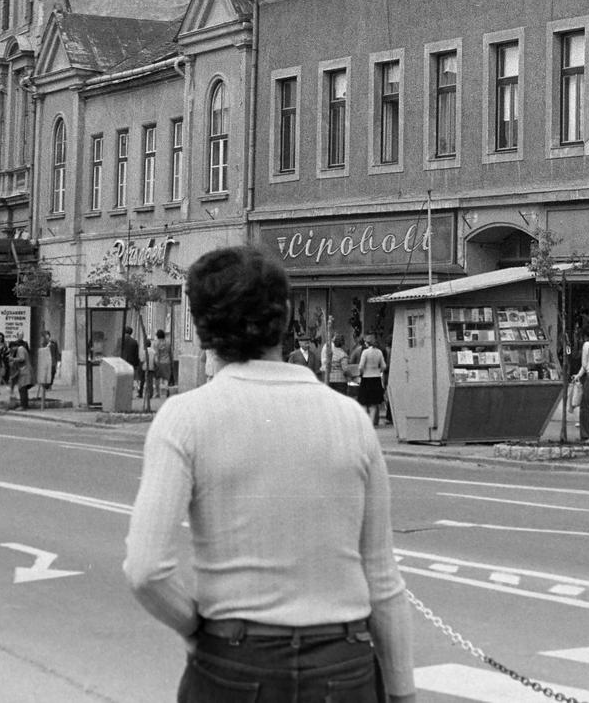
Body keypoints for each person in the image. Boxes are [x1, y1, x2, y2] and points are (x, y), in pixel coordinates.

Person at [123, 245, 415, 703]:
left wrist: (200, 629)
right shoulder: (351, 419)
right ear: (285, 316)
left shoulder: (185, 418)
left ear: (201, 330)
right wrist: (402, 693)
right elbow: (382, 579)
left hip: (236, 660)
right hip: (343, 661)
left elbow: (145, 571)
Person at [356, 333, 387, 427]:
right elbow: (384, 366)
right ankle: (372, 422)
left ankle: (366, 422)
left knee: (364, 402)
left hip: (366, 378)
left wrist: (361, 373)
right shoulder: (379, 352)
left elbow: (361, 366)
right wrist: (378, 370)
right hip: (376, 378)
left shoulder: (365, 352)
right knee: (374, 403)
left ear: (366, 343)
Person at [38, 329, 61, 409]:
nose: (46, 337)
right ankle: (46, 385)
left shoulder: (53, 343)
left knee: (53, 372)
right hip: (46, 361)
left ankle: (50, 385)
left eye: (47, 335)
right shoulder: (42, 344)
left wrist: (58, 360)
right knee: (47, 373)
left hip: (53, 360)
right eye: (45, 335)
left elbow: (56, 351)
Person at [9, 337, 33, 411]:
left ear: (14, 346)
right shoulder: (21, 349)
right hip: (25, 371)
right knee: (23, 389)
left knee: (22, 389)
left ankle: (23, 406)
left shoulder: (20, 349)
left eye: (11, 348)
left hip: (25, 371)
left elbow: (22, 358)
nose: (12, 350)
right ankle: (25, 405)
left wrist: (13, 359)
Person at [152, 330, 174, 401]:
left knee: (157, 378)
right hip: (167, 362)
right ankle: (167, 388)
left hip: (159, 362)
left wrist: (155, 363)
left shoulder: (156, 343)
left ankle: (157, 393)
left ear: (157, 336)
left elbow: (156, 354)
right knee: (166, 378)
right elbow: (171, 353)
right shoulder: (168, 342)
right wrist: (172, 362)